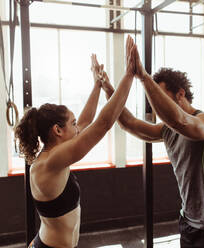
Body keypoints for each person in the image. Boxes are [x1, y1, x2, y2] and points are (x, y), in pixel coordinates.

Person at [98, 36, 204, 248]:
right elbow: (129, 123)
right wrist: (108, 88)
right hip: (189, 221)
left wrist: (144, 78)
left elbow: (181, 121)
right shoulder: (168, 130)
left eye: (160, 97)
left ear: (180, 94)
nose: (156, 107)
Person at [15, 36, 137, 248]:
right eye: (72, 124)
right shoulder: (50, 162)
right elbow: (103, 123)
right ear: (58, 130)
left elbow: (86, 120)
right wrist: (129, 75)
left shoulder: (54, 154)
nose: (78, 127)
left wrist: (98, 85)